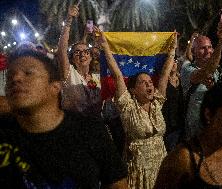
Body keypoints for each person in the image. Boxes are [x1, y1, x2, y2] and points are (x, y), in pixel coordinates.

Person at [0, 48, 128, 188]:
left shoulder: (89, 131)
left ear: (55, 87)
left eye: (28, 73)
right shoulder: (4, 133)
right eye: (10, 75)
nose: (16, 79)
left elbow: (117, 184)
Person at [95, 26, 177, 189]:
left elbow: (164, 76)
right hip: (138, 173)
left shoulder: (156, 104)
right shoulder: (127, 107)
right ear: (132, 90)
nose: (149, 85)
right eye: (143, 82)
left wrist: (173, 51)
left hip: (161, 168)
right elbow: (117, 75)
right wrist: (105, 47)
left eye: (150, 82)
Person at [180, 26, 222, 139]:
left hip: (220, 129)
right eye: (203, 48)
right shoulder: (187, 69)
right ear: (194, 52)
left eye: (210, 47)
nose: (208, 51)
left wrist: (215, 90)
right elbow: (207, 71)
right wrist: (221, 42)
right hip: (196, 134)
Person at [57, 4, 102, 117]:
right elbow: (62, 50)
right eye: (77, 52)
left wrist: (99, 40)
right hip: (74, 128)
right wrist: (68, 21)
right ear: (71, 58)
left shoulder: (97, 77)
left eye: (86, 52)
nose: (82, 54)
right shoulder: (69, 73)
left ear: (91, 57)